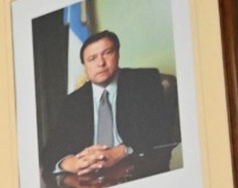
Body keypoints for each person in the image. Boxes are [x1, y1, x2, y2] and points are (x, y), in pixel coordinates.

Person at [39, 30, 177, 179]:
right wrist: (71, 163)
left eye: (107, 53)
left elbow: (165, 129)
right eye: (92, 58)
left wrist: (120, 152)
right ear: (85, 66)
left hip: (138, 170)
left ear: (117, 54)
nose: (101, 63)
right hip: (89, 181)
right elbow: (50, 151)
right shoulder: (72, 102)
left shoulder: (144, 81)